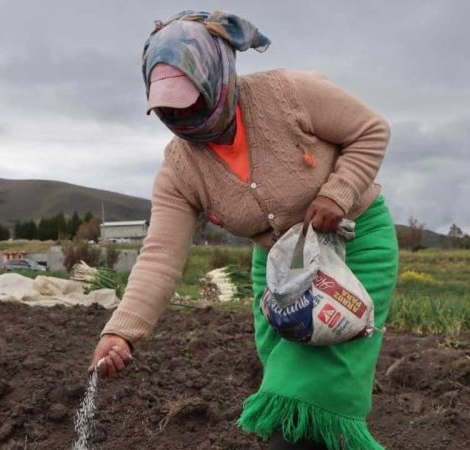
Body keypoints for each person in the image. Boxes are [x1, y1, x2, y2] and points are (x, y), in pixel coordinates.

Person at [86, 10, 396, 450]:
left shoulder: (288, 94)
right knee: (287, 398)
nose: (182, 114)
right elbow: (159, 257)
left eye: (191, 99)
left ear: (217, 77)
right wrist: (121, 331)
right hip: (279, 271)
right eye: (168, 106)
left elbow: (371, 130)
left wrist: (337, 193)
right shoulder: (180, 169)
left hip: (352, 249)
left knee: (307, 398)